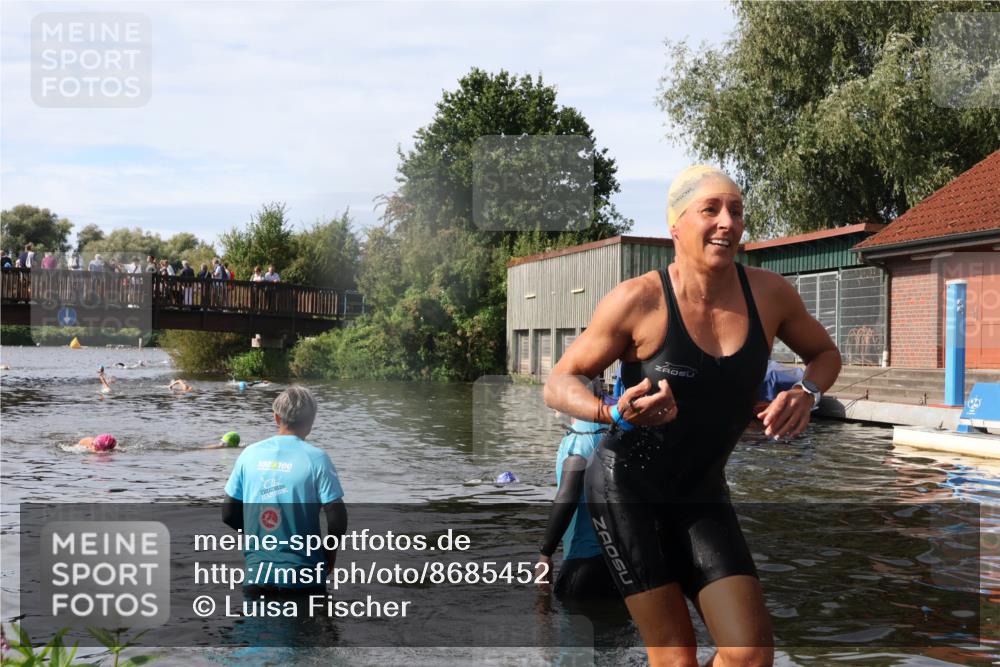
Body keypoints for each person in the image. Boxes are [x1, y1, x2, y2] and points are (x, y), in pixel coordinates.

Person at [543, 165, 841, 667]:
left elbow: (826, 355)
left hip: (702, 494)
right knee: (676, 658)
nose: (728, 222)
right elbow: (559, 381)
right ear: (676, 227)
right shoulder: (640, 299)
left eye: (737, 211)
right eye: (711, 210)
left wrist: (807, 393)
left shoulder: (770, 295)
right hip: (626, 493)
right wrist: (610, 409)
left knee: (750, 654)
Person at [223, 386, 347, 599]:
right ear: (310, 422)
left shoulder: (249, 454)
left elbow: (228, 514)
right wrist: (330, 551)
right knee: (313, 631)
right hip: (303, 578)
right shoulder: (317, 459)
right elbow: (337, 517)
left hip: (257, 577)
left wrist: (259, 536)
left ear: (276, 417)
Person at [536, 410, 618, 600]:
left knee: (564, 622)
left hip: (584, 560)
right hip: (620, 561)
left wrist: (545, 555)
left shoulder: (580, 439)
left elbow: (567, 497)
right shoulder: (613, 430)